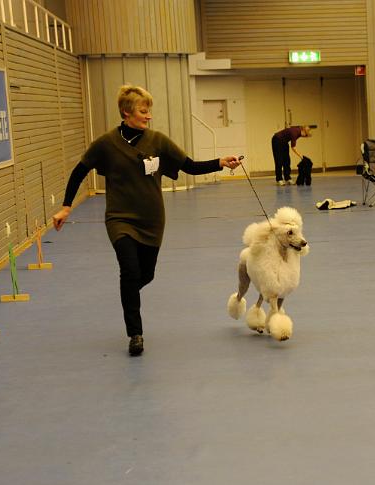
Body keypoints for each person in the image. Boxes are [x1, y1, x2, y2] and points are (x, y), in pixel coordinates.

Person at [51, 85, 241, 356]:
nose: (148, 116)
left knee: (145, 274)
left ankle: (128, 294)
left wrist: (220, 162)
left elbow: (189, 165)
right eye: (143, 110)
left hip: (152, 220)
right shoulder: (106, 144)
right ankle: (135, 334)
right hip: (119, 219)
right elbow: (80, 170)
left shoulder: (158, 141)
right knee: (129, 271)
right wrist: (66, 207)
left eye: (149, 111)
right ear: (126, 112)